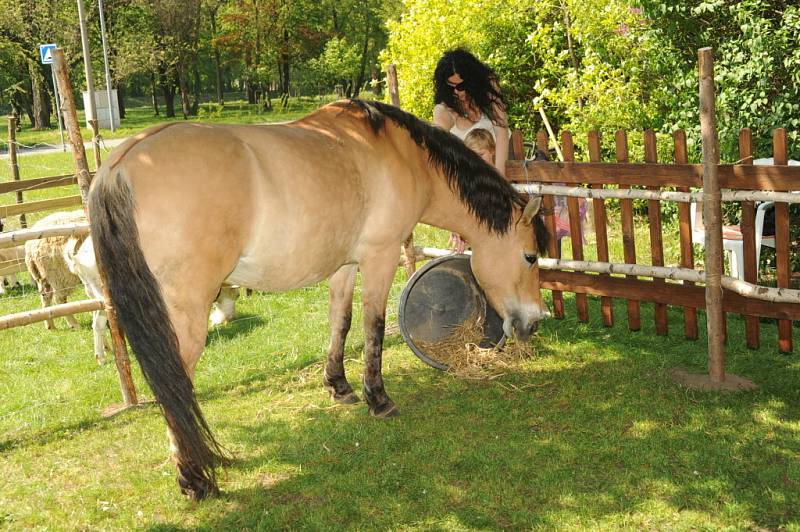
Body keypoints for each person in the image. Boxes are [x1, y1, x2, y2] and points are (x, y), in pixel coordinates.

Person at [432, 49, 509, 177]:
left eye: (461, 86)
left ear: (473, 81)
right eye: (451, 86)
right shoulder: (443, 111)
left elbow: (501, 131)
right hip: (471, 178)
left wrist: (500, 179)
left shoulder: (489, 87)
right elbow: (439, 149)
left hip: (504, 165)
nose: (457, 92)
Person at [447, 129, 497, 253]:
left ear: (492, 151)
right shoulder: (465, 178)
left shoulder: (496, 178)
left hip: (491, 234)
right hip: (468, 228)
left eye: (481, 155)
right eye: (472, 155)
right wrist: (456, 228)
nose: (476, 160)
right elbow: (456, 204)